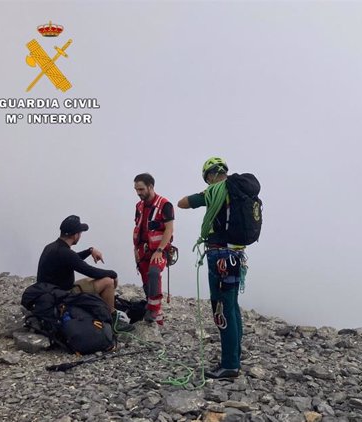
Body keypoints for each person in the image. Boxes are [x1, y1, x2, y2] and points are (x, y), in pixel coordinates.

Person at [178, 157, 248, 379]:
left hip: (219, 255)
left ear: (210, 175)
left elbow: (182, 202)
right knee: (232, 305)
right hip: (237, 254)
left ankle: (229, 365)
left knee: (221, 308)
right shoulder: (240, 193)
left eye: (208, 178)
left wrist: (207, 192)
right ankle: (234, 354)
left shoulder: (215, 191)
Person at [36, 215, 134, 332]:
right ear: (74, 235)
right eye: (80, 233)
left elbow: (74, 259)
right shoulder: (65, 252)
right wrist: (113, 274)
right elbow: (90, 271)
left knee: (94, 280)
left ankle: (103, 309)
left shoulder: (52, 247)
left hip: (49, 294)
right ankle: (113, 321)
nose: (80, 235)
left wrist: (89, 251)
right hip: (63, 296)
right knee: (108, 281)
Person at [133, 173, 174, 326]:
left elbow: (169, 229)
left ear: (150, 187)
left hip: (159, 250)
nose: (138, 193)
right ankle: (157, 321)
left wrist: (160, 250)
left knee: (154, 273)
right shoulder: (139, 206)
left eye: (141, 189)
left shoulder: (165, 205)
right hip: (143, 249)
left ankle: (153, 309)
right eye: (136, 190)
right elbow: (137, 227)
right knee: (146, 281)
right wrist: (135, 250)